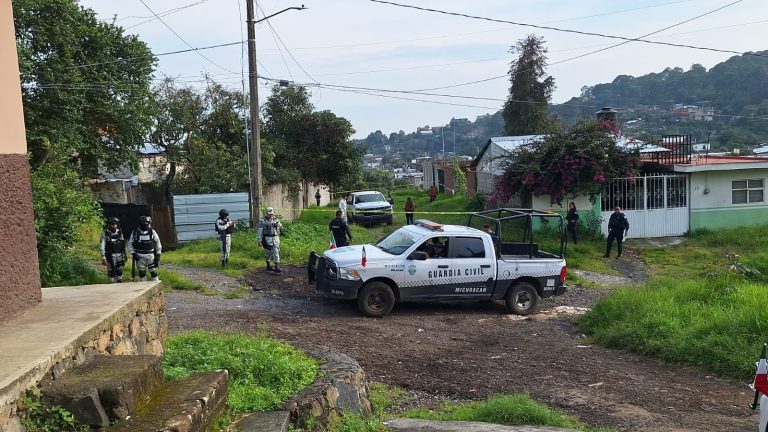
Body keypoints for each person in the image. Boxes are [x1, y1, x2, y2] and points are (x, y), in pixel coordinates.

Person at [129, 215, 162, 282]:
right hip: (139, 255)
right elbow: (129, 244)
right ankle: (143, 287)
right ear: (140, 223)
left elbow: (158, 243)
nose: (145, 225)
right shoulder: (135, 232)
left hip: (150, 255)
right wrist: (133, 253)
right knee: (142, 272)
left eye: (147, 223)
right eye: (144, 223)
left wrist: (158, 255)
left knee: (153, 271)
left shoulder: (152, 232)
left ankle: (156, 284)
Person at [100, 217, 127, 283]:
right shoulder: (105, 233)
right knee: (111, 272)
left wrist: (125, 254)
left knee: (120, 271)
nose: (114, 225)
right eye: (112, 224)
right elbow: (102, 245)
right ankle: (111, 285)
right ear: (109, 225)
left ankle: (119, 283)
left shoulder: (119, 232)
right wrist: (103, 257)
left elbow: (123, 243)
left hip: (119, 254)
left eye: (116, 224)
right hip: (110, 255)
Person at [258, 207, 283, 273]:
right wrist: (259, 240)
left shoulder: (276, 219)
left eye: (272, 214)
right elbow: (260, 231)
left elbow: (281, 226)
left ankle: (277, 266)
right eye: (269, 214)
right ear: (266, 213)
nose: (271, 215)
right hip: (267, 238)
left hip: (275, 237)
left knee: (276, 251)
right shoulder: (262, 221)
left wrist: (278, 225)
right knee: (267, 252)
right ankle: (268, 265)